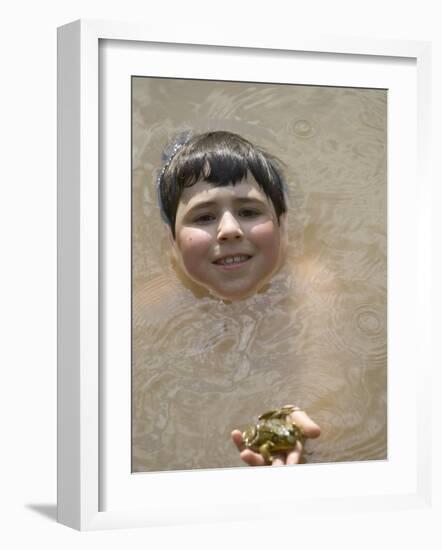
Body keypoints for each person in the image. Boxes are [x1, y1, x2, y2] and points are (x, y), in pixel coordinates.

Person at [156, 130, 320, 465]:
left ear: (283, 227)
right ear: (172, 242)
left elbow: (327, 371)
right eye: (204, 217)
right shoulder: (147, 307)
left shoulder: (312, 287)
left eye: (249, 211)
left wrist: (303, 422)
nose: (229, 229)